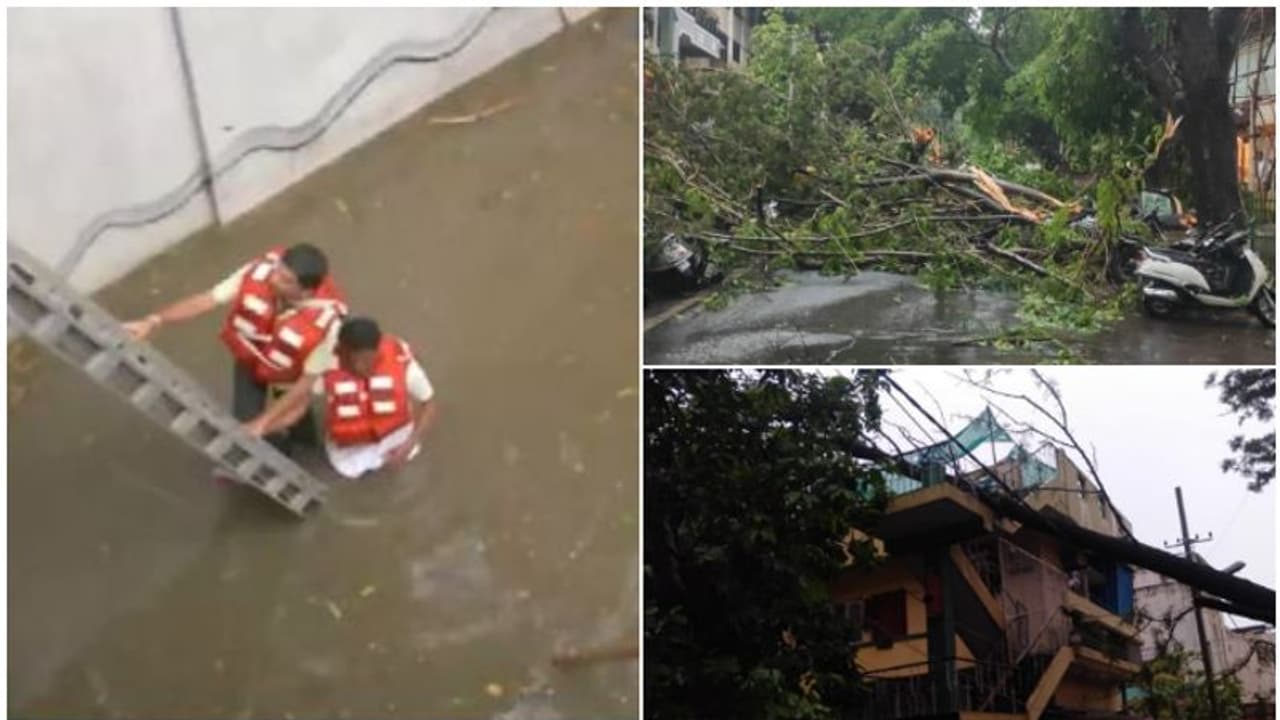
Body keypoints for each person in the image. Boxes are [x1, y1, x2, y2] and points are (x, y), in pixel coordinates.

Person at [123, 243, 346, 456]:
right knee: (247, 421)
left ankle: (305, 442)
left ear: (305, 292)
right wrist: (155, 320)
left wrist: (263, 423)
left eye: (285, 280)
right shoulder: (258, 271)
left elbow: (304, 385)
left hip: (288, 373)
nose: (273, 278)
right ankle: (280, 450)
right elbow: (207, 300)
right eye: (277, 270)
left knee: (292, 414)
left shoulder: (327, 326)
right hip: (251, 356)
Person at [247, 316, 437, 479]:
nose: (361, 367)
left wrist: (410, 443)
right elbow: (298, 404)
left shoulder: (401, 361)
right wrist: (262, 426)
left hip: (397, 440)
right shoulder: (326, 363)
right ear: (342, 351)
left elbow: (429, 403)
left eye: (368, 360)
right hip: (348, 455)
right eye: (355, 361)